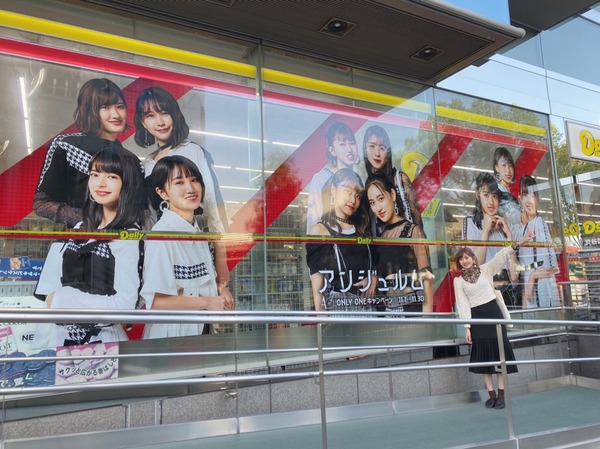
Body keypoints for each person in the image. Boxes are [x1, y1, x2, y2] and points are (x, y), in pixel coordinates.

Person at [34, 147, 146, 347]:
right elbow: (47, 289)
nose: (100, 183)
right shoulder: (79, 227)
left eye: (112, 176)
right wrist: (58, 300)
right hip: (58, 336)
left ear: (128, 184)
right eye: (95, 174)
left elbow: (124, 306)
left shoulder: (127, 236)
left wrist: (64, 299)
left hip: (103, 342)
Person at [133, 86, 231, 294]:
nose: (160, 122)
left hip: (193, 245)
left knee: (196, 301)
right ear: (142, 122)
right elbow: (147, 217)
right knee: (166, 303)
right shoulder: (146, 165)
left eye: (164, 112)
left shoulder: (192, 151)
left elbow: (213, 206)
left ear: (174, 114)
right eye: (150, 116)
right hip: (161, 250)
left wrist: (221, 259)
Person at [141, 156, 235, 339]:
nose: (191, 188)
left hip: (201, 332)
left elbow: (198, 283)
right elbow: (157, 302)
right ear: (162, 193)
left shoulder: (196, 231)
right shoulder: (162, 235)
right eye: (179, 182)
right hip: (172, 339)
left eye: (194, 180)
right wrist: (208, 302)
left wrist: (218, 290)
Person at [453, 230, 533, 409]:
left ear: (473, 258)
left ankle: (502, 396)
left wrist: (522, 242)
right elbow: (462, 305)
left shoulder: (486, 270)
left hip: (494, 314)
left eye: (467, 257)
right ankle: (491, 395)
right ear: (459, 262)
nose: (465, 260)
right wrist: (467, 327)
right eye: (461, 259)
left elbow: (502, 255)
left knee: (499, 356)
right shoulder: (459, 281)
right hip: (477, 319)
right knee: (484, 359)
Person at [34, 78, 129, 227]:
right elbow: (41, 204)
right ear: (90, 111)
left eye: (120, 106)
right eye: (105, 107)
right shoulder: (66, 146)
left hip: (121, 238)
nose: (116, 114)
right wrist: (87, 221)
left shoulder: (128, 157)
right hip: (80, 238)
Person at [306, 168, 376, 311]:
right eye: (348, 192)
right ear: (333, 190)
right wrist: (320, 313)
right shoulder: (320, 230)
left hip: (368, 307)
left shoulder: (362, 229)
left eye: (357, 195)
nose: (353, 200)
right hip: (338, 308)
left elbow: (374, 264)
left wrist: (373, 277)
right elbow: (317, 278)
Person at [365, 172, 433, 312]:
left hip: (413, 310)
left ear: (392, 195)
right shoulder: (380, 239)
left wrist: (427, 318)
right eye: (372, 203)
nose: (378, 208)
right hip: (389, 312)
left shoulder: (412, 232)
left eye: (381, 198)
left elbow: (427, 281)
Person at [463, 172, 519, 308]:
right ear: (478, 195)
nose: (491, 202)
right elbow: (472, 267)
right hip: (482, 295)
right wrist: (485, 231)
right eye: (486, 195)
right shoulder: (470, 223)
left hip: (506, 295)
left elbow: (514, 275)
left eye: (494, 196)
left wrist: (509, 235)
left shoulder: (504, 225)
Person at [362, 124, 422, 230]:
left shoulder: (399, 179)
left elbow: (417, 222)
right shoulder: (364, 184)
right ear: (365, 148)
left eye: (382, 148)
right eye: (372, 146)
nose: (377, 153)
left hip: (404, 238)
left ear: (388, 152)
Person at [306, 122, 359, 233]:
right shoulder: (320, 178)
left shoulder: (360, 180)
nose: (350, 149)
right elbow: (314, 220)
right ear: (332, 150)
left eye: (352, 143)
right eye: (342, 144)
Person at [518, 175, 560, 308]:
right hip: (530, 292)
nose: (528, 200)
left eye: (532, 195)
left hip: (542, 289)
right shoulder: (523, 229)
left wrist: (532, 278)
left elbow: (551, 267)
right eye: (525, 195)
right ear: (520, 198)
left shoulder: (539, 222)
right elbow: (523, 267)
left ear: (537, 199)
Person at [493, 147, 521, 234]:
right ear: (497, 167)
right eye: (504, 165)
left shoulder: (513, 198)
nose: (508, 170)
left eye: (510, 165)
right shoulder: (495, 195)